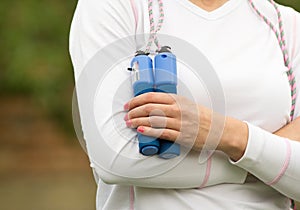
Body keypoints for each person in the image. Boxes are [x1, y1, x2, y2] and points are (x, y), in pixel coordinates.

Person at [69, 0, 300, 209]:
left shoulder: (287, 25)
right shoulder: (114, 6)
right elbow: (115, 159)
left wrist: (230, 136)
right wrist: (268, 161)